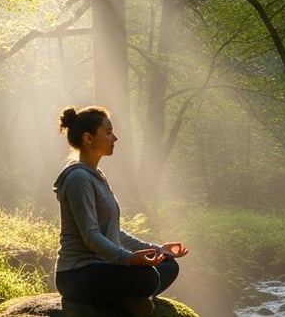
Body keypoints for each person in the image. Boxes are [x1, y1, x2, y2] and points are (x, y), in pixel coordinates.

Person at [52, 105, 189, 317]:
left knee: (169, 265)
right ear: (89, 138)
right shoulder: (78, 179)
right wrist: (130, 259)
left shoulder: (96, 175)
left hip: (103, 269)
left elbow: (115, 232)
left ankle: (128, 298)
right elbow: (91, 236)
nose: (114, 138)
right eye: (108, 132)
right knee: (149, 278)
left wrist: (157, 249)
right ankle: (127, 299)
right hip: (77, 274)